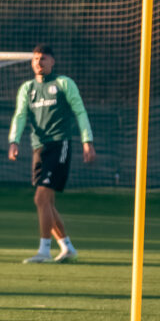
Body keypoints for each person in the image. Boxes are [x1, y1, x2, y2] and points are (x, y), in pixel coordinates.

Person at [7, 44, 96, 264]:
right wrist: (13, 141)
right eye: (36, 59)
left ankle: (44, 250)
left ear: (52, 61)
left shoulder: (64, 84)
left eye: (43, 59)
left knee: (41, 198)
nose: (39, 62)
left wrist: (87, 141)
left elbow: (80, 111)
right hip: (39, 147)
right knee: (46, 203)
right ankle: (67, 247)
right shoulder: (27, 89)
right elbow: (20, 116)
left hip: (60, 145)